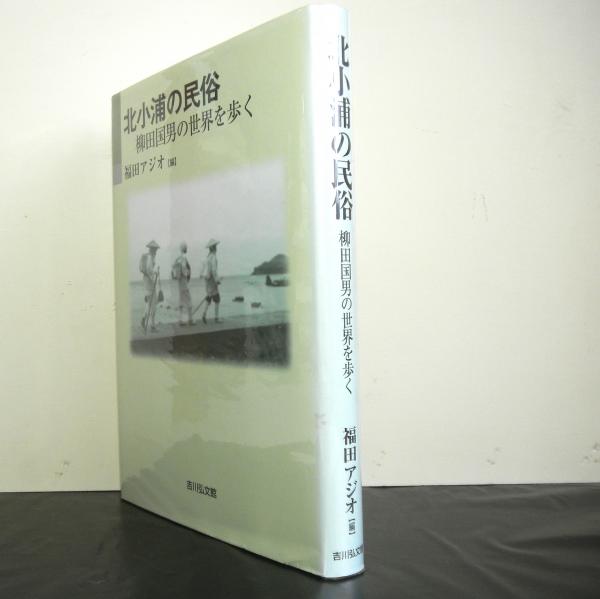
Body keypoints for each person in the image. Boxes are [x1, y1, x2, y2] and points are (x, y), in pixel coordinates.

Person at [140, 240, 160, 332]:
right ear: (152, 249)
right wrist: (155, 275)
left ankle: (144, 319)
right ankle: (152, 326)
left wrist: (153, 273)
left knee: (149, 302)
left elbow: (148, 270)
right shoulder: (150, 258)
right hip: (150, 282)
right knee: (153, 303)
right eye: (155, 249)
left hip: (146, 281)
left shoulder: (148, 257)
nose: (156, 251)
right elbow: (149, 270)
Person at [201, 238, 222, 324]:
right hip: (212, 280)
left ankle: (204, 314)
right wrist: (217, 280)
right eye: (215, 246)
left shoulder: (207, 257)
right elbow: (214, 270)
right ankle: (216, 318)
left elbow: (204, 269)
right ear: (213, 247)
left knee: (209, 297)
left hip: (207, 279)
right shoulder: (213, 257)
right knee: (217, 299)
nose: (216, 248)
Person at [172, 241, 193, 326]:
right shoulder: (184, 258)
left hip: (179, 282)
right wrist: (188, 273)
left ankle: (180, 320)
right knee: (189, 300)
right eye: (186, 247)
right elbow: (184, 271)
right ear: (185, 248)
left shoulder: (178, 258)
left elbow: (175, 270)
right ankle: (190, 320)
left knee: (181, 300)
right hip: (184, 282)